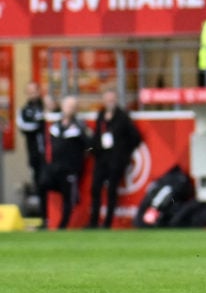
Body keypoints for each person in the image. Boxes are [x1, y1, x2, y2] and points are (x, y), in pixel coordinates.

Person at [89, 90, 141, 229]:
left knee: (112, 190)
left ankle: (107, 222)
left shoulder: (122, 116)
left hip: (116, 159)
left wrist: (124, 153)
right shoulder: (101, 116)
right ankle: (93, 221)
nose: (110, 102)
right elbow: (97, 135)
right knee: (95, 188)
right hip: (102, 158)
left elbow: (136, 137)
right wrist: (95, 150)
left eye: (112, 99)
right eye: (107, 99)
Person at [45, 96, 91, 229]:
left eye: (72, 106)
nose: (69, 109)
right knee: (42, 184)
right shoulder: (56, 125)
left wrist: (83, 154)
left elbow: (90, 145)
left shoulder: (79, 126)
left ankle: (63, 225)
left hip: (71, 168)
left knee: (69, 197)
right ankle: (45, 219)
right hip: (55, 167)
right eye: (67, 106)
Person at [16, 82, 47, 211]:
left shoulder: (45, 106)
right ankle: (43, 215)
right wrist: (39, 123)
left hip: (49, 153)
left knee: (49, 182)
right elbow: (23, 127)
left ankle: (52, 216)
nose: (32, 94)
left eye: (35, 91)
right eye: (30, 91)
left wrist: (40, 121)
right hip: (34, 153)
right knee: (38, 182)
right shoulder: (24, 110)